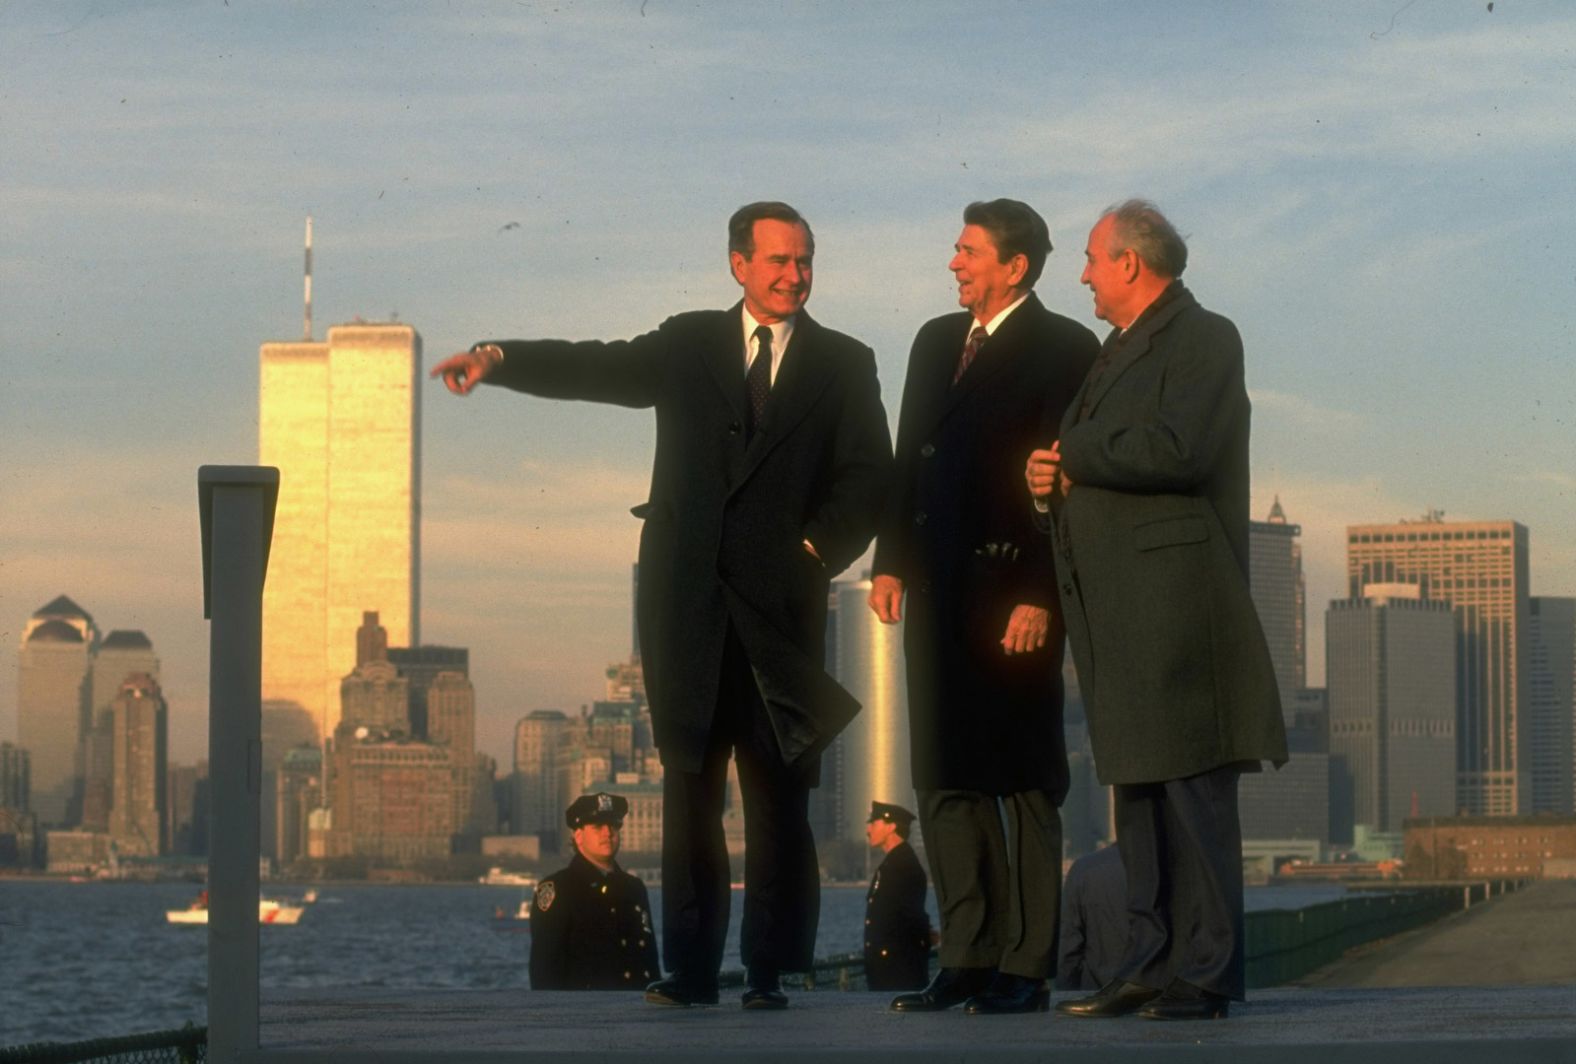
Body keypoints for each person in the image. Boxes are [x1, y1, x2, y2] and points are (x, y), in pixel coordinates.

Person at [432, 202, 893, 1010]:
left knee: (780, 807)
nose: (794, 275)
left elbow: (869, 480)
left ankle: (770, 973)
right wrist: (498, 358)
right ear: (738, 265)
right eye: (778, 261)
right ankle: (687, 973)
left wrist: (816, 552)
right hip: (690, 614)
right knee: (689, 799)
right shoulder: (687, 345)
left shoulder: (846, 363)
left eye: (805, 260)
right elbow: (598, 368)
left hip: (781, 620)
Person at [1026, 200, 1287, 1021]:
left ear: (1131, 263)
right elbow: (1100, 465)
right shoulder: (1116, 351)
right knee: (1137, 792)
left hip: (1176, 605)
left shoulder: (1205, 336)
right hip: (1121, 611)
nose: (1084, 274)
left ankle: (1204, 972)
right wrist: (1048, 487)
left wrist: (1070, 454)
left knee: (1190, 790)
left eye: (1093, 259)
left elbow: (1180, 447)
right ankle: (1146, 961)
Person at [870, 200, 1097, 1014]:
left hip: (1014, 601)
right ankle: (966, 955)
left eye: (968, 252)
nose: (954, 263)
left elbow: (1064, 480)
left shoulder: (1068, 348)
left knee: (1024, 780)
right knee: (944, 777)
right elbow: (908, 456)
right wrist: (889, 561)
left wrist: (1041, 593)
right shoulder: (936, 341)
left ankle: (1025, 964)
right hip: (932, 591)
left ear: (1015, 267)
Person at [529, 792, 660, 991]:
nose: (608, 833)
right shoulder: (558, 889)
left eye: (614, 826)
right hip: (585, 1014)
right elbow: (545, 970)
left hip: (637, 1011)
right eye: (598, 827)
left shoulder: (634, 888)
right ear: (579, 837)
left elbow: (649, 959)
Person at [862, 801, 932, 991]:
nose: (868, 829)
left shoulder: (902, 866)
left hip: (896, 969)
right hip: (888, 965)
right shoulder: (895, 863)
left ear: (891, 827)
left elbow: (910, 917)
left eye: (874, 823)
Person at [1055, 844, 1128, 992]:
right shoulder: (1176, 866)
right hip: (1161, 997)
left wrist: (1064, 993)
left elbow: (1069, 944)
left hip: (1097, 989)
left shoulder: (1085, 867)